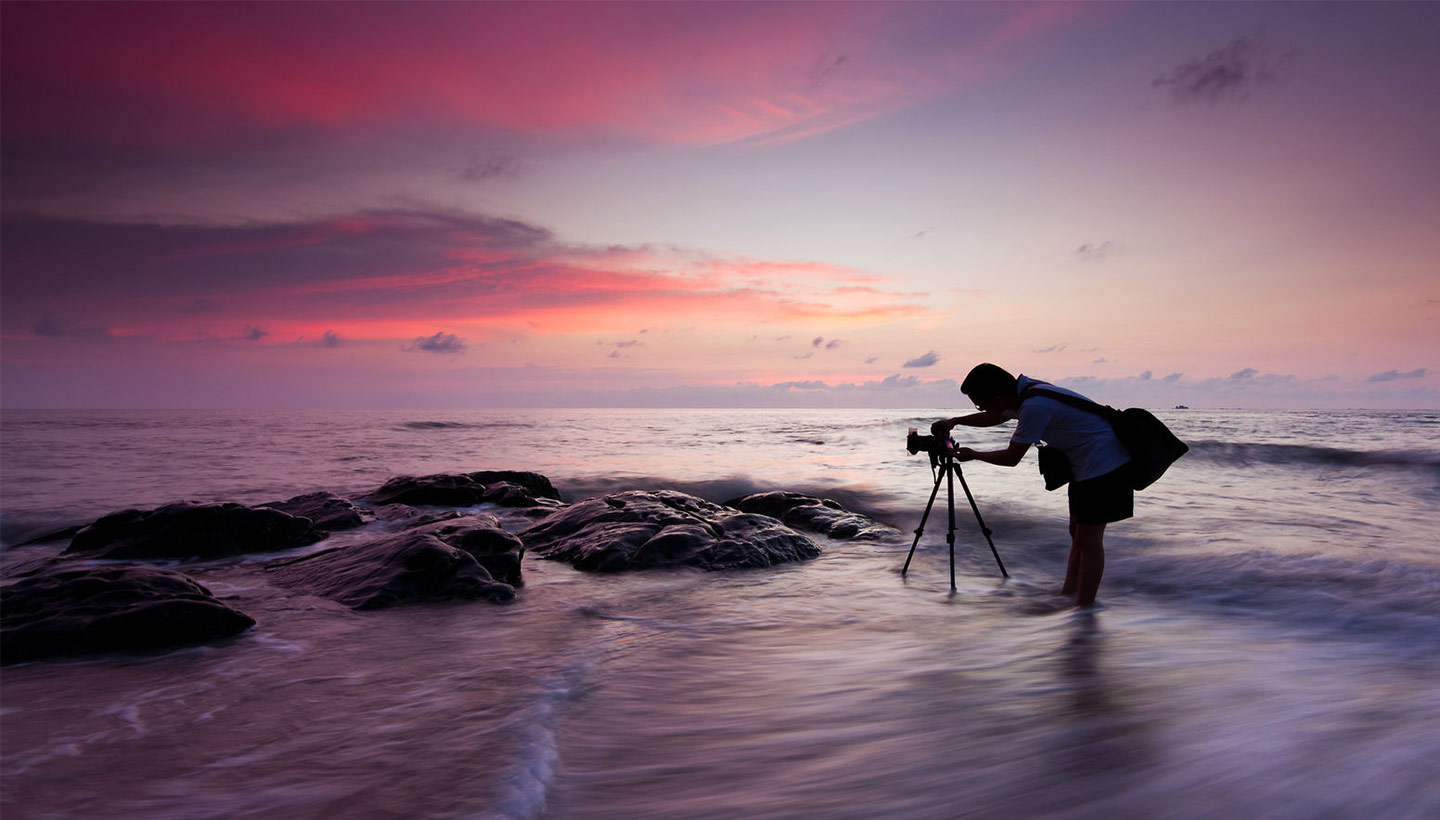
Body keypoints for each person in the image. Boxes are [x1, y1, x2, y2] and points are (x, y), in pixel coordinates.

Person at [930, 363, 1132, 607]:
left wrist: (974, 454)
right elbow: (997, 415)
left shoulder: (1035, 407)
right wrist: (955, 421)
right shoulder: (1026, 391)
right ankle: (1069, 595)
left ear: (997, 396)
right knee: (1077, 534)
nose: (980, 409)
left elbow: (1011, 458)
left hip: (1105, 465)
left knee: (1089, 540)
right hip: (1084, 465)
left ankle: (1084, 609)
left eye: (980, 404)